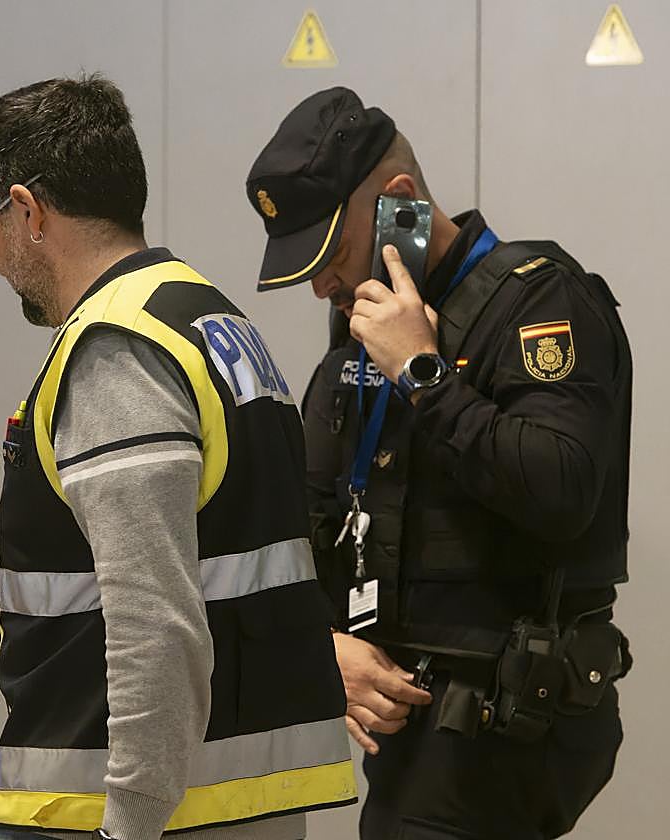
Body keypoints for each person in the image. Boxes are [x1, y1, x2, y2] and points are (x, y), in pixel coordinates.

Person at [0, 75, 355, 840]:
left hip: (141, 816)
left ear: (28, 211)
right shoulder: (207, 321)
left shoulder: (117, 350)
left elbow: (154, 620)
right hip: (234, 803)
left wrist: (129, 824)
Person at [245, 86, 632, 839]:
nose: (322, 283)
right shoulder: (363, 326)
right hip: (412, 730)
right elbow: (318, 510)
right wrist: (323, 644)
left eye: (331, 254)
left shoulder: (540, 301)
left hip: (507, 730)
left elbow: (562, 490)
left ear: (399, 203)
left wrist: (422, 373)